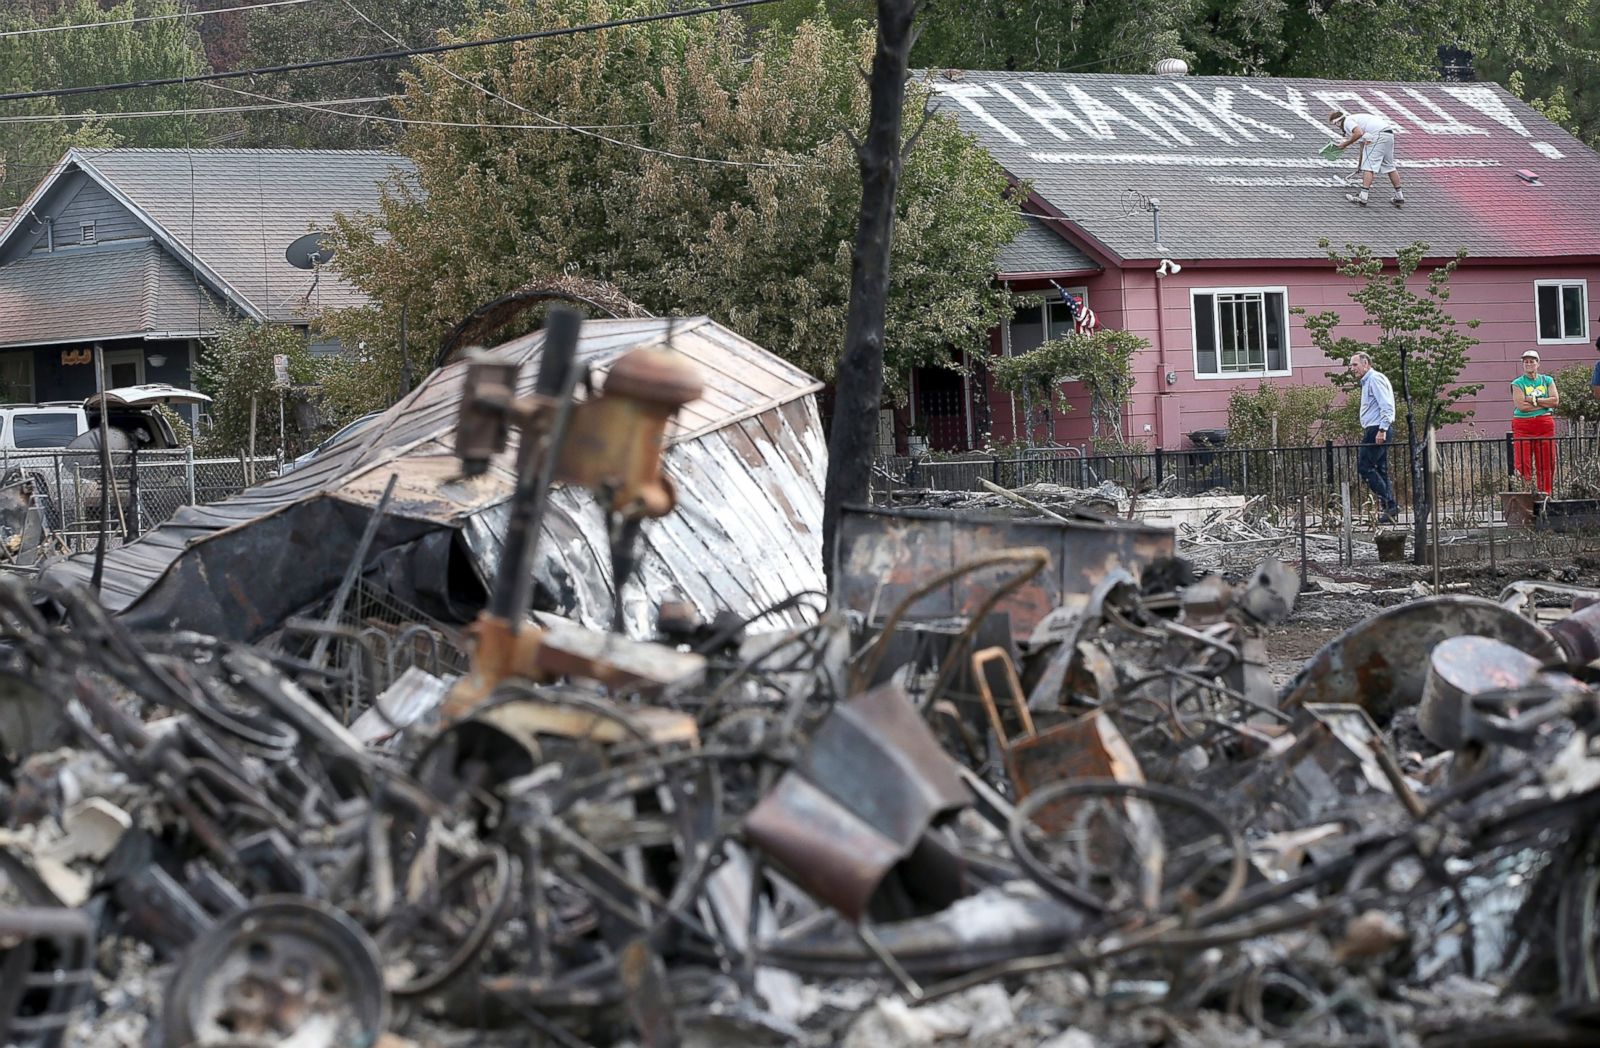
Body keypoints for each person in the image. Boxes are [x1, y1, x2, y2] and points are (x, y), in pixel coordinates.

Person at [1351, 351, 1402, 523]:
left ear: (1366, 364)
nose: (1352, 369)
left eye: (1355, 365)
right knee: (1380, 469)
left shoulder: (1374, 379)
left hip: (1377, 429)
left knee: (1365, 467)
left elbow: (1386, 405)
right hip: (1375, 428)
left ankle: (1390, 504)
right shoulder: (1368, 381)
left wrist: (1383, 429)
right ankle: (1389, 508)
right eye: (1351, 365)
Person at [1327, 109, 1403, 208]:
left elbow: (1358, 133)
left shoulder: (1347, 122)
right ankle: (1399, 195)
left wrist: (1343, 145)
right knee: (1389, 166)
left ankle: (1363, 196)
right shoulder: (1356, 120)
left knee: (1369, 167)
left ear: (1338, 122)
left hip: (1377, 135)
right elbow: (1362, 145)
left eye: (1336, 125)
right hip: (1388, 135)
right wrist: (1360, 165)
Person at [1511, 349, 1559, 495]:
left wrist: (1531, 399)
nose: (1529, 364)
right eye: (1526, 361)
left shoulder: (1547, 380)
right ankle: (1525, 493)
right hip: (1523, 424)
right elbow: (1521, 406)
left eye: (1532, 361)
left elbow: (1555, 401)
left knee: (1546, 460)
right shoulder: (1517, 383)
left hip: (1544, 424)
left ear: (1538, 363)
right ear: (1523, 365)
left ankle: (1545, 494)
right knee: (1523, 461)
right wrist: (1544, 403)